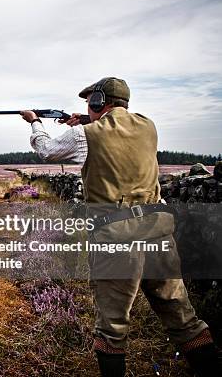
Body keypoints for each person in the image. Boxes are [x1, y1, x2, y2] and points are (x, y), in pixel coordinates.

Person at [20, 77, 218, 377]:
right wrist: (88, 119)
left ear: (100, 101)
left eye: (90, 102)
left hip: (116, 238)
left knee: (111, 329)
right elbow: (119, 129)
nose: (88, 106)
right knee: (184, 319)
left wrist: (35, 123)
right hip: (158, 232)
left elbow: (47, 150)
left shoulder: (84, 135)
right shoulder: (148, 126)